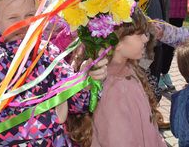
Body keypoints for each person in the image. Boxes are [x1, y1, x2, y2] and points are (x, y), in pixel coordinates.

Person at [0, 0, 107, 146]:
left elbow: (79, 105)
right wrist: (55, 115)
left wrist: (87, 81)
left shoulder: (49, 53)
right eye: (13, 18)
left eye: (29, 15)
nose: (23, 24)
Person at [65, 8, 164, 147]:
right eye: (140, 34)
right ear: (116, 41)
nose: (146, 38)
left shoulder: (130, 69)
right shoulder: (107, 88)